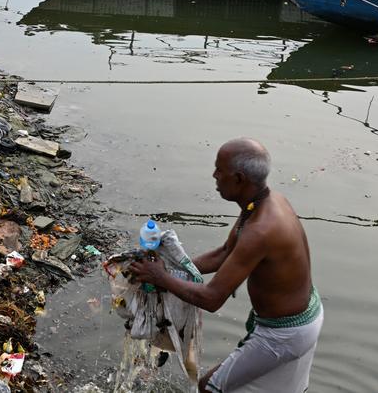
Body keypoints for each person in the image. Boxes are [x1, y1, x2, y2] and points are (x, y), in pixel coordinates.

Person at [129, 138, 322, 393]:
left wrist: (162, 278)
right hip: (303, 317)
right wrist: (171, 269)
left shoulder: (261, 230)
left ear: (239, 179)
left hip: (284, 334)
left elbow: (212, 299)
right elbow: (224, 254)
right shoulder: (264, 202)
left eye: (220, 170)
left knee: (209, 387)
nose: (214, 175)